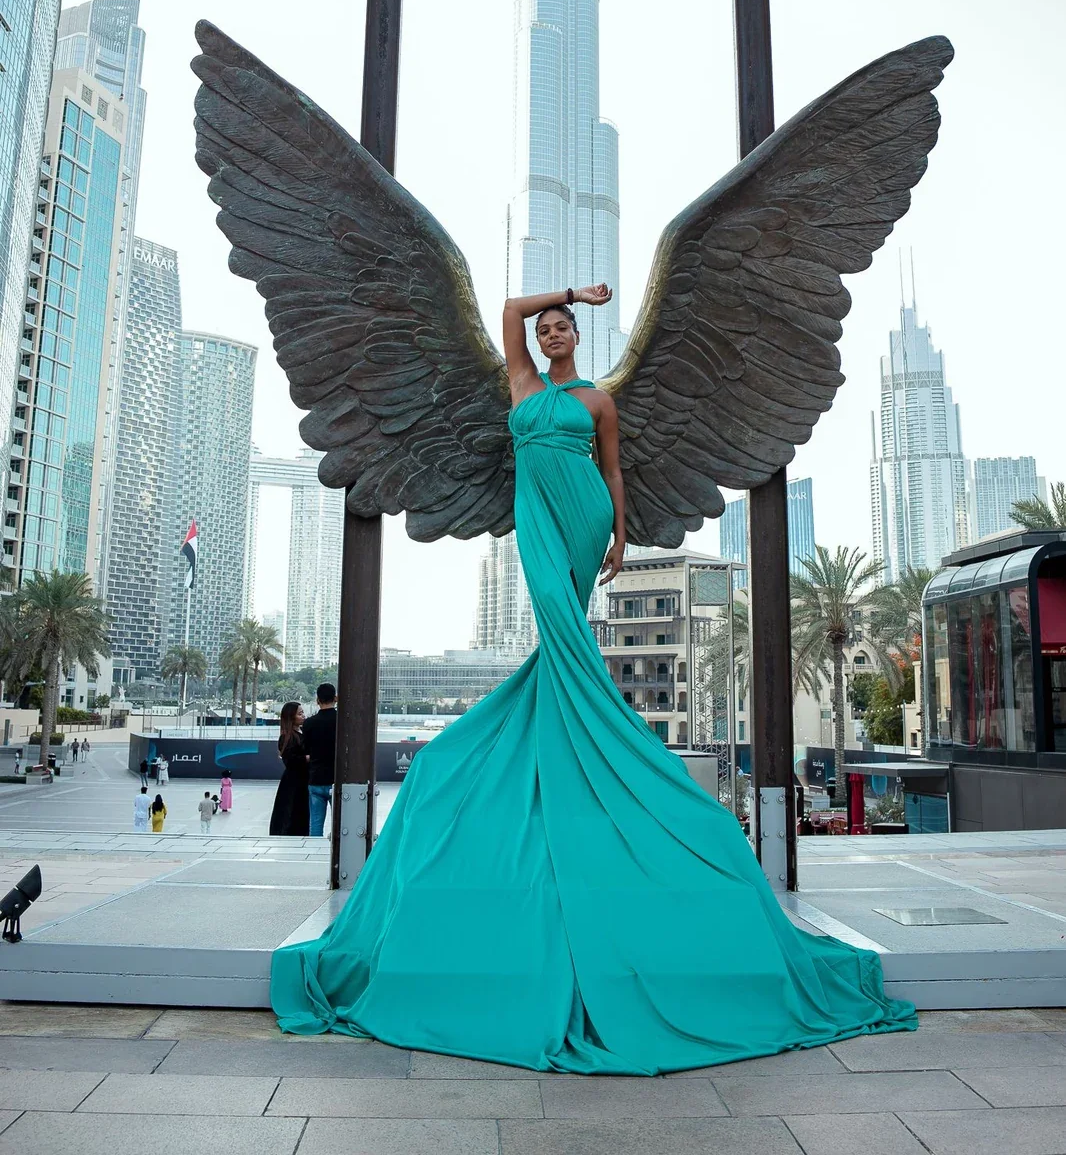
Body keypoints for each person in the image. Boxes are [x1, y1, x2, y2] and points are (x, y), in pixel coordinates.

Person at [271, 285, 916, 1072]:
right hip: (534, 515)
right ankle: (581, 756)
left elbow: (614, 473)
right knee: (557, 640)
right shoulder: (521, 384)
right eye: (545, 328)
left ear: (578, 337)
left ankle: (586, 763)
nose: (548, 331)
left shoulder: (599, 400)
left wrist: (615, 537)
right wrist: (568, 289)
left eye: (561, 325)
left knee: (568, 637)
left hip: (580, 516)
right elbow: (505, 308)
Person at [301, 684, 337, 838]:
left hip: (315, 778)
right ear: (336, 699)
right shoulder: (342, 722)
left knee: (315, 823)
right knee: (341, 823)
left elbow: (306, 749)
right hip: (337, 779)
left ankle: (313, 851)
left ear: (317, 700)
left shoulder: (309, 723)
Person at [270, 702, 310, 836]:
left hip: (303, 779)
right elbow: (290, 760)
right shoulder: (287, 737)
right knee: (292, 811)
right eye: (300, 714)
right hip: (294, 782)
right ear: (291, 717)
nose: (303, 716)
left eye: (303, 712)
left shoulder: (302, 732)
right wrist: (307, 758)